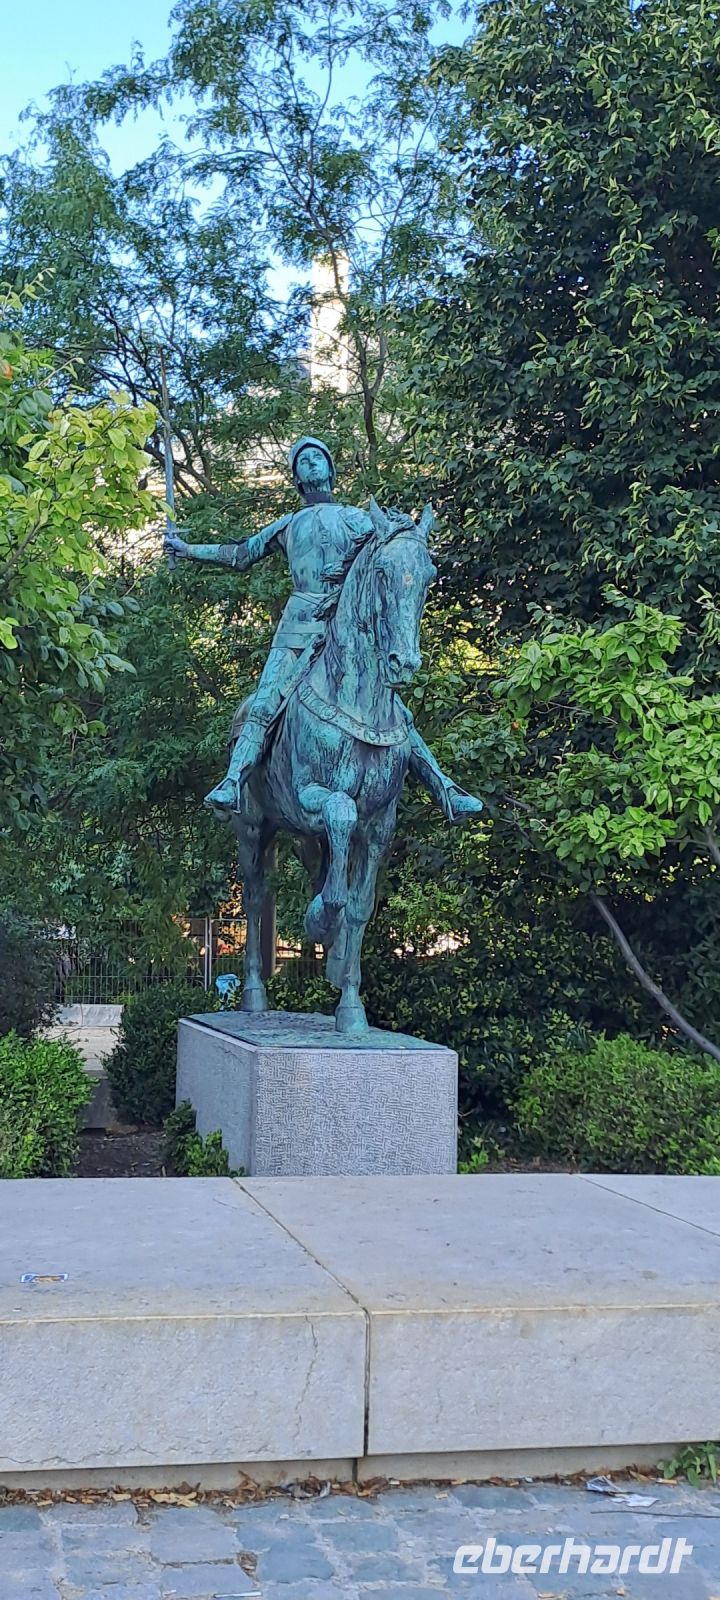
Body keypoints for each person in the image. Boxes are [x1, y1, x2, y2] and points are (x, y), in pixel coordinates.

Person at [165, 436, 483, 821]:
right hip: (297, 627)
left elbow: (391, 546)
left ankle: (444, 789)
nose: (312, 464)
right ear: (296, 477)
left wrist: (407, 528)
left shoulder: (356, 518)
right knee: (265, 701)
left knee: (394, 710)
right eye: (304, 461)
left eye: (318, 458)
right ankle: (233, 781)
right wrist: (186, 548)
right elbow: (240, 554)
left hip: (344, 629)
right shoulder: (288, 524)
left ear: (330, 470)